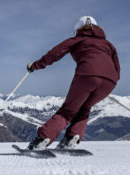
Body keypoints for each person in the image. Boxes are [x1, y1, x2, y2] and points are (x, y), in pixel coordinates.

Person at [27, 16, 120, 150]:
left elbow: (55, 53)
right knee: (84, 108)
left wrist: (35, 65)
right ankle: (71, 140)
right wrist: (106, 81)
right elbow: (117, 67)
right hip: (110, 81)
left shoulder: (78, 39)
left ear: (78, 29)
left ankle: (42, 140)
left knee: (67, 111)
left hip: (87, 75)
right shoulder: (109, 45)